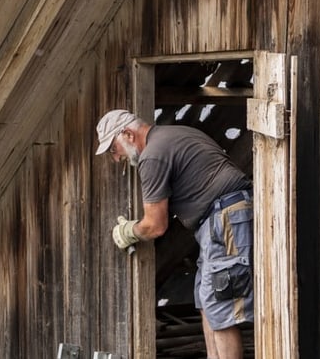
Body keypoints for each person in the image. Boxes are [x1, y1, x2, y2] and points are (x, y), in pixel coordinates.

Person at [95, 109, 253, 359]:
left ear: (127, 134)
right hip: (221, 219)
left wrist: (129, 231)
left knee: (220, 306)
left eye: (114, 150)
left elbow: (156, 225)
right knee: (207, 300)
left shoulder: (152, 156)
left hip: (224, 219)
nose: (116, 159)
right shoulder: (176, 134)